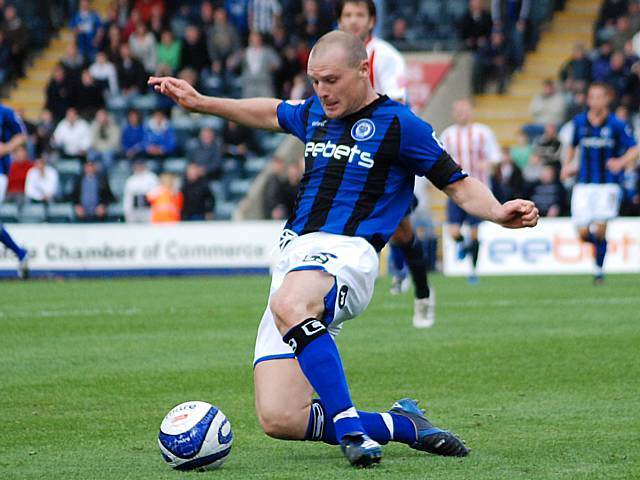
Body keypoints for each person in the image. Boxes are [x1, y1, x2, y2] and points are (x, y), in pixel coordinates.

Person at [150, 30, 539, 468]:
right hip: (293, 258)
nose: (322, 90)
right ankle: (403, 425)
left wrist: (498, 211)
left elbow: (458, 183)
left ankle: (352, 432)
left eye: (331, 80)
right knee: (281, 417)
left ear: (363, 70)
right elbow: (272, 112)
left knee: (292, 302)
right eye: (315, 80)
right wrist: (203, 102)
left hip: (347, 253)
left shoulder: (400, 124)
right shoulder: (315, 111)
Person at [337, 0, 435, 328]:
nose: (353, 21)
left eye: (359, 15)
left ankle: (423, 292)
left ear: (371, 20)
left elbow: (397, 104)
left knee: (402, 232)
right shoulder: (328, 53)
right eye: (347, 15)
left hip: (385, 151)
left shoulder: (387, 56)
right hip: (344, 151)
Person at [560, 82, 638, 285]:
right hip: (583, 184)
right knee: (583, 233)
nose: (594, 101)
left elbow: (634, 148)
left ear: (607, 99)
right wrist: (567, 166)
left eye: (599, 96)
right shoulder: (579, 122)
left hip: (608, 185)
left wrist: (620, 162)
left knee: (601, 228)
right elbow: (572, 146)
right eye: (591, 97)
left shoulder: (616, 124)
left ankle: (599, 271)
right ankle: (601, 247)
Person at [441, 98, 501, 284]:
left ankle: (473, 271)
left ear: (471, 112)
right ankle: (463, 246)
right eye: (458, 110)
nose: (461, 114)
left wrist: (489, 165)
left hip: (477, 191)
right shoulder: (448, 135)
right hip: (455, 191)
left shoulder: (483, 132)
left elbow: (496, 158)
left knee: (474, 232)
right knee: (453, 232)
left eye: (464, 110)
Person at [0, 103, 29, 278]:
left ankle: (20, 253)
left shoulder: (5, 112)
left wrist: (7, 147)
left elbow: (22, 135)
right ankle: (20, 253)